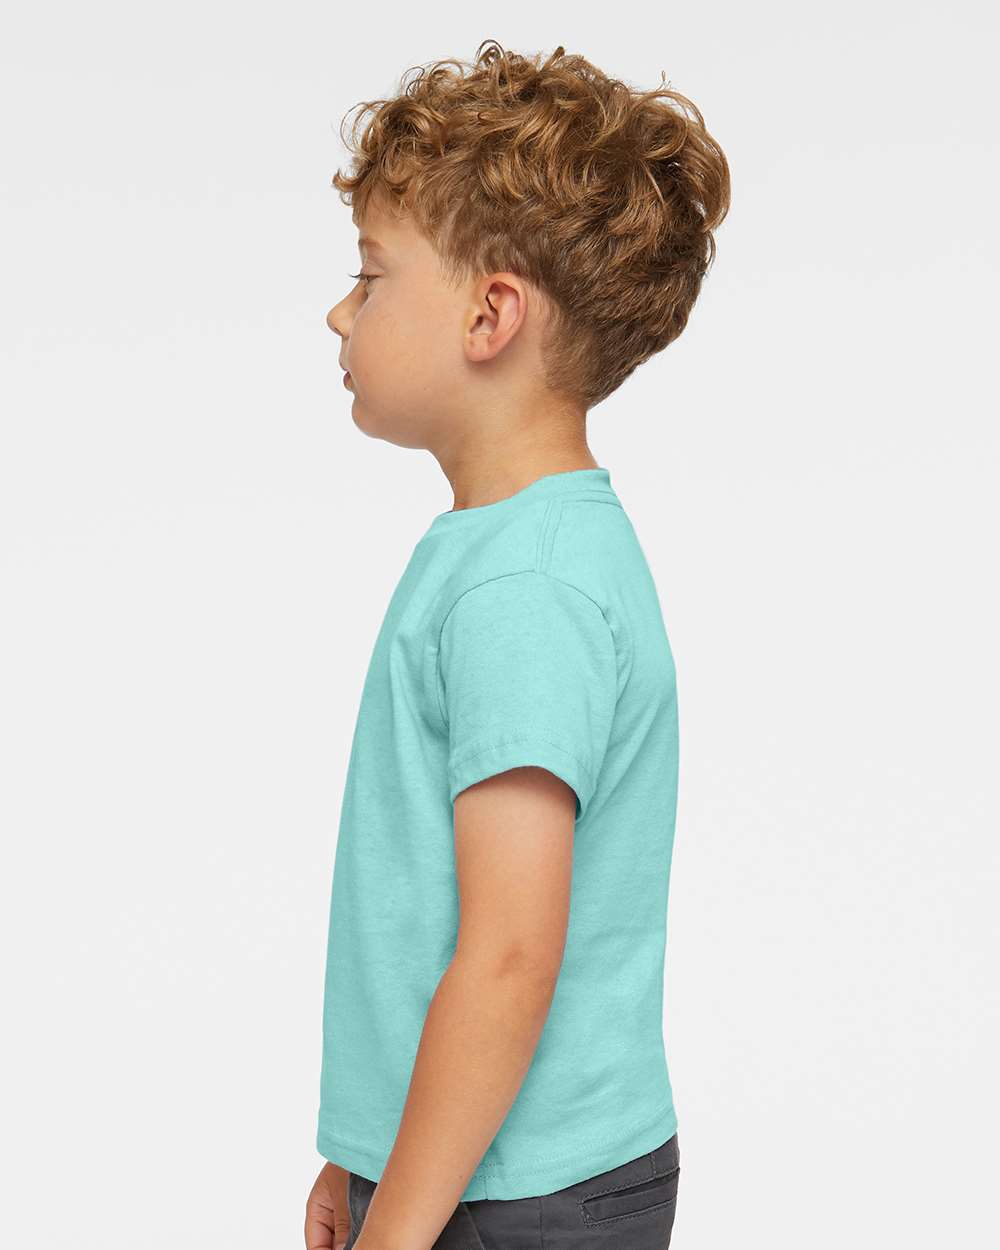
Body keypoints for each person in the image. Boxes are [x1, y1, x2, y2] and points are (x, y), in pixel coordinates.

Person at [304, 39, 730, 1250]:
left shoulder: (524, 587)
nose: (339, 310)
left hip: (513, 1196)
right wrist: (361, 1153)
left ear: (491, 314)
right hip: (479, 1169)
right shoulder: (513, 547)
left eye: (370, 275)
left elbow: (505, 955)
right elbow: (438, 920)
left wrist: (400, 1227)